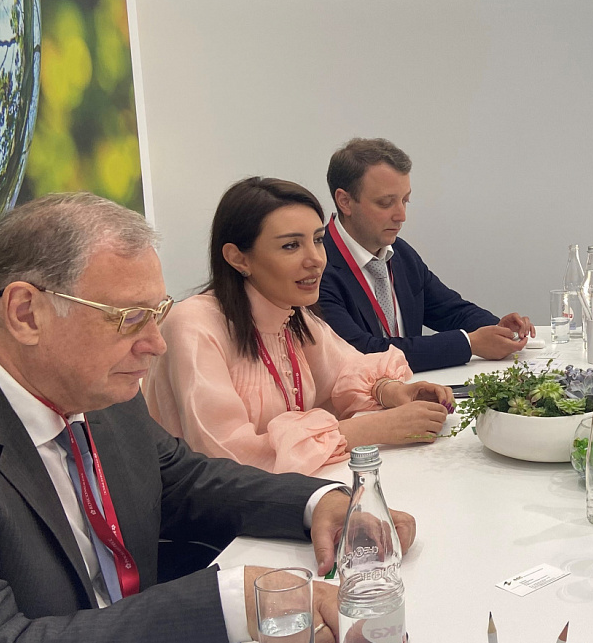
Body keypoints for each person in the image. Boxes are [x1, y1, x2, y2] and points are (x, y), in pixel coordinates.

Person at [0, 193, 415, 643]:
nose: (156, 344)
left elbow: (182, 479)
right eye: (129, 318)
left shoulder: (90, 380)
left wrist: (318, 502)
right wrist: (233, 602)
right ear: (25, 313)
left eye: (158, 314)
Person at [144, 177, 455, 475]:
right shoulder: (193, 325)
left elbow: (346, 371)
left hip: (288, 492)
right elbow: (226, 458)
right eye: (291, 246)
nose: (315, 259)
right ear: (238, 258)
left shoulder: (292, 314)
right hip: (216, 511)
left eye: (318, 240)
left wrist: (394, 392)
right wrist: (365, 430)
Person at [317, 138, 534, 371]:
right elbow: (362, 351)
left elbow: (450, 310)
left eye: (405, 200)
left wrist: (497, 327)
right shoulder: (317, 266)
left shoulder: (401, 254)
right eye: (386, 203)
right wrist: (469, 344)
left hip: (414, 387)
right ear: (345, 202)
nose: (401, 216)